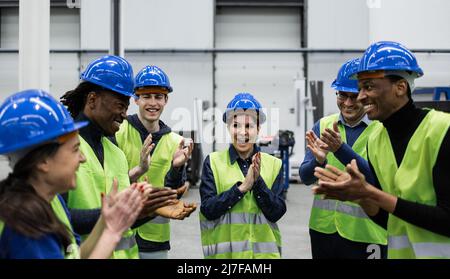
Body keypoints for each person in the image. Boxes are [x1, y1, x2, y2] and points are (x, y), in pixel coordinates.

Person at [313, 41, 450, 259]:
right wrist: (361, 197)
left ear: (400, 87)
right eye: (360, 89)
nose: (360, 97)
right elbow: (388, 219)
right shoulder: (377, 140)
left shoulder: (442, 130)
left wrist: (371, 193)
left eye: (368, 87)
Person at [0, 89, 144, 259]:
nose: (83, 158)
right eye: (75, 149)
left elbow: (74, 256)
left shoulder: (51, 201)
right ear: (43, 161)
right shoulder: (25, 224)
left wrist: (106, 221)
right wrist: (111, 234)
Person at [60, 55, 178, 259]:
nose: (124, 114)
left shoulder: (116, 153)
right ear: (92, 99)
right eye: (120, 105)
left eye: (126, 107)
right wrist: (114, 213)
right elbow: (55, 218)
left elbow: (122, 222)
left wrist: (149, 210)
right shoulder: (62, 148)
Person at [299, 58, 387, 259]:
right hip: (324, 230)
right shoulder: (323, 125)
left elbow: (376, 179)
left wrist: (340, 149)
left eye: (353, 96)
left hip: (367, 232)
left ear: (365, 95)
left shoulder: (382, 129)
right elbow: (305, 177)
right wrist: (318, 161)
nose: (347, 103)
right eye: (342, 95)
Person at [115, 65, 196, 259]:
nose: (153, 103)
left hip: (155, 239)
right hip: (119, 234)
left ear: (166, 100)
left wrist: (177, 168)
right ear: (136, 99)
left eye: (158, 97)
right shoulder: (118, 131)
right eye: (147, 96)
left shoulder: (175, 142)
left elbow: (173, 194)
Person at [199, 93, 286, 259]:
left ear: (258, 129)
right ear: (228, 127)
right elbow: (208, 210)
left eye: (249, 126)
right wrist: (241, 189)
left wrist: (257, 182)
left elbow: (277, 212)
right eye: (236, 125)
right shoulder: (213, 162)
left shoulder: (274, 165)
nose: (242, 132)